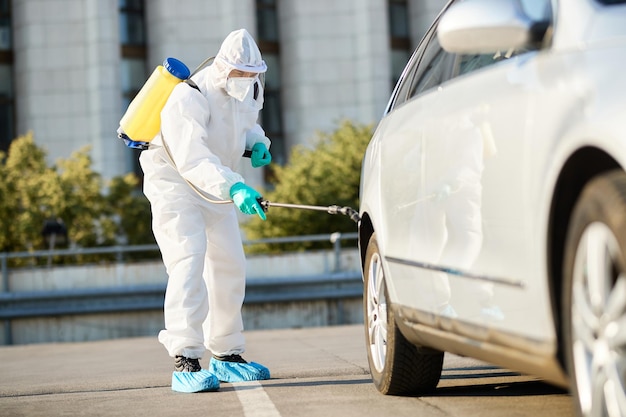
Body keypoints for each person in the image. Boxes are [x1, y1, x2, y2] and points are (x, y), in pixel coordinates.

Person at [139, 29, 273, 393]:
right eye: (239, 74)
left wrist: (258, 143)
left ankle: (227, 353)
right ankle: (186, 358)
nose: (246, 82)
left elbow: (243, 127)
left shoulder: (249, 91)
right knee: (188, 262)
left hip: (218, 185)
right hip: (176, 184)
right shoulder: (189, 96)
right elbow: (193, 159)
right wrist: (234, 186)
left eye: (252, 74)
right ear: (222, 68)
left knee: (230, 264)